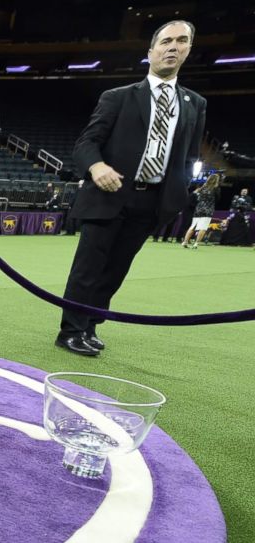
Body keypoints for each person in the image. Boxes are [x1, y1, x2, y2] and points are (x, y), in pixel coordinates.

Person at [57, 20, 206, 357]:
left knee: (115, 270)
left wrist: (177, 194)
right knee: (88, 268)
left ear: (188, 50)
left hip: (151, 201)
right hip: (109, 195)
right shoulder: (118, 97)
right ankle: (70, 331)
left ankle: (91, 326)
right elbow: (86, 143)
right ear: (150, 51)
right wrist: (97, 167)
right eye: (166, 41)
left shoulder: (195, 104)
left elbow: (190, 156)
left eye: (181, 41)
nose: (173, 47)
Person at [181, 174, 219, 249]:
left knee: (193, 226)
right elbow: (217, 199)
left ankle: (185, 242)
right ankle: (196, 243)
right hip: (208, 210)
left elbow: (195, 196)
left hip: (198, 209)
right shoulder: (216, 189)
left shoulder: (202, 187)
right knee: (203, 228)